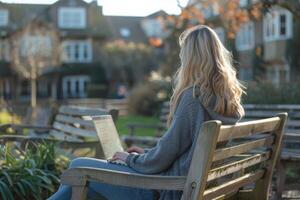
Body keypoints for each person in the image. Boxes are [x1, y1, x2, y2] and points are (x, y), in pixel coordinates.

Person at [48, 25, 245, 200]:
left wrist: (131, 159)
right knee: (79, 179)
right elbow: (179, 150)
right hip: (189, 184)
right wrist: (147, 154)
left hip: (163, 189)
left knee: (78, 165)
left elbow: (163, 158)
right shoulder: (227, 103)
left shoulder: (193, 98)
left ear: (191, 58)